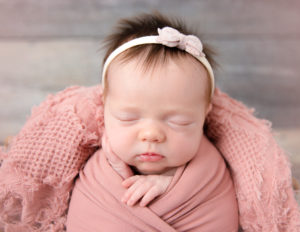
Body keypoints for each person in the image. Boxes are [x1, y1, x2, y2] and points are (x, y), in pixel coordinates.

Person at [0, 12, 299, 232]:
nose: (152, 134)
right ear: (103, 108)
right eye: (129, 117)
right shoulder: (94, 165)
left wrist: (169, 183)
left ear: (206, 113)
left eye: (180, 121)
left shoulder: (216, 166)